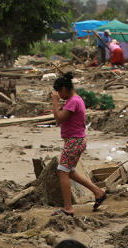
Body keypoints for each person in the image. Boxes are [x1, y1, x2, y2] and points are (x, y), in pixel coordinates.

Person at [50, 73, 108, 216]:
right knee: (70, 172)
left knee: (62, 171)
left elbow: (59, 119)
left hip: (74, 141)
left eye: (59, 91)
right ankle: (98, 192)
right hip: (77, 140)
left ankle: (68, 208)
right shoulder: (76, 100)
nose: (59, 94)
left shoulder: (73, 101)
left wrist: (55, 102)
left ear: (64, 88)